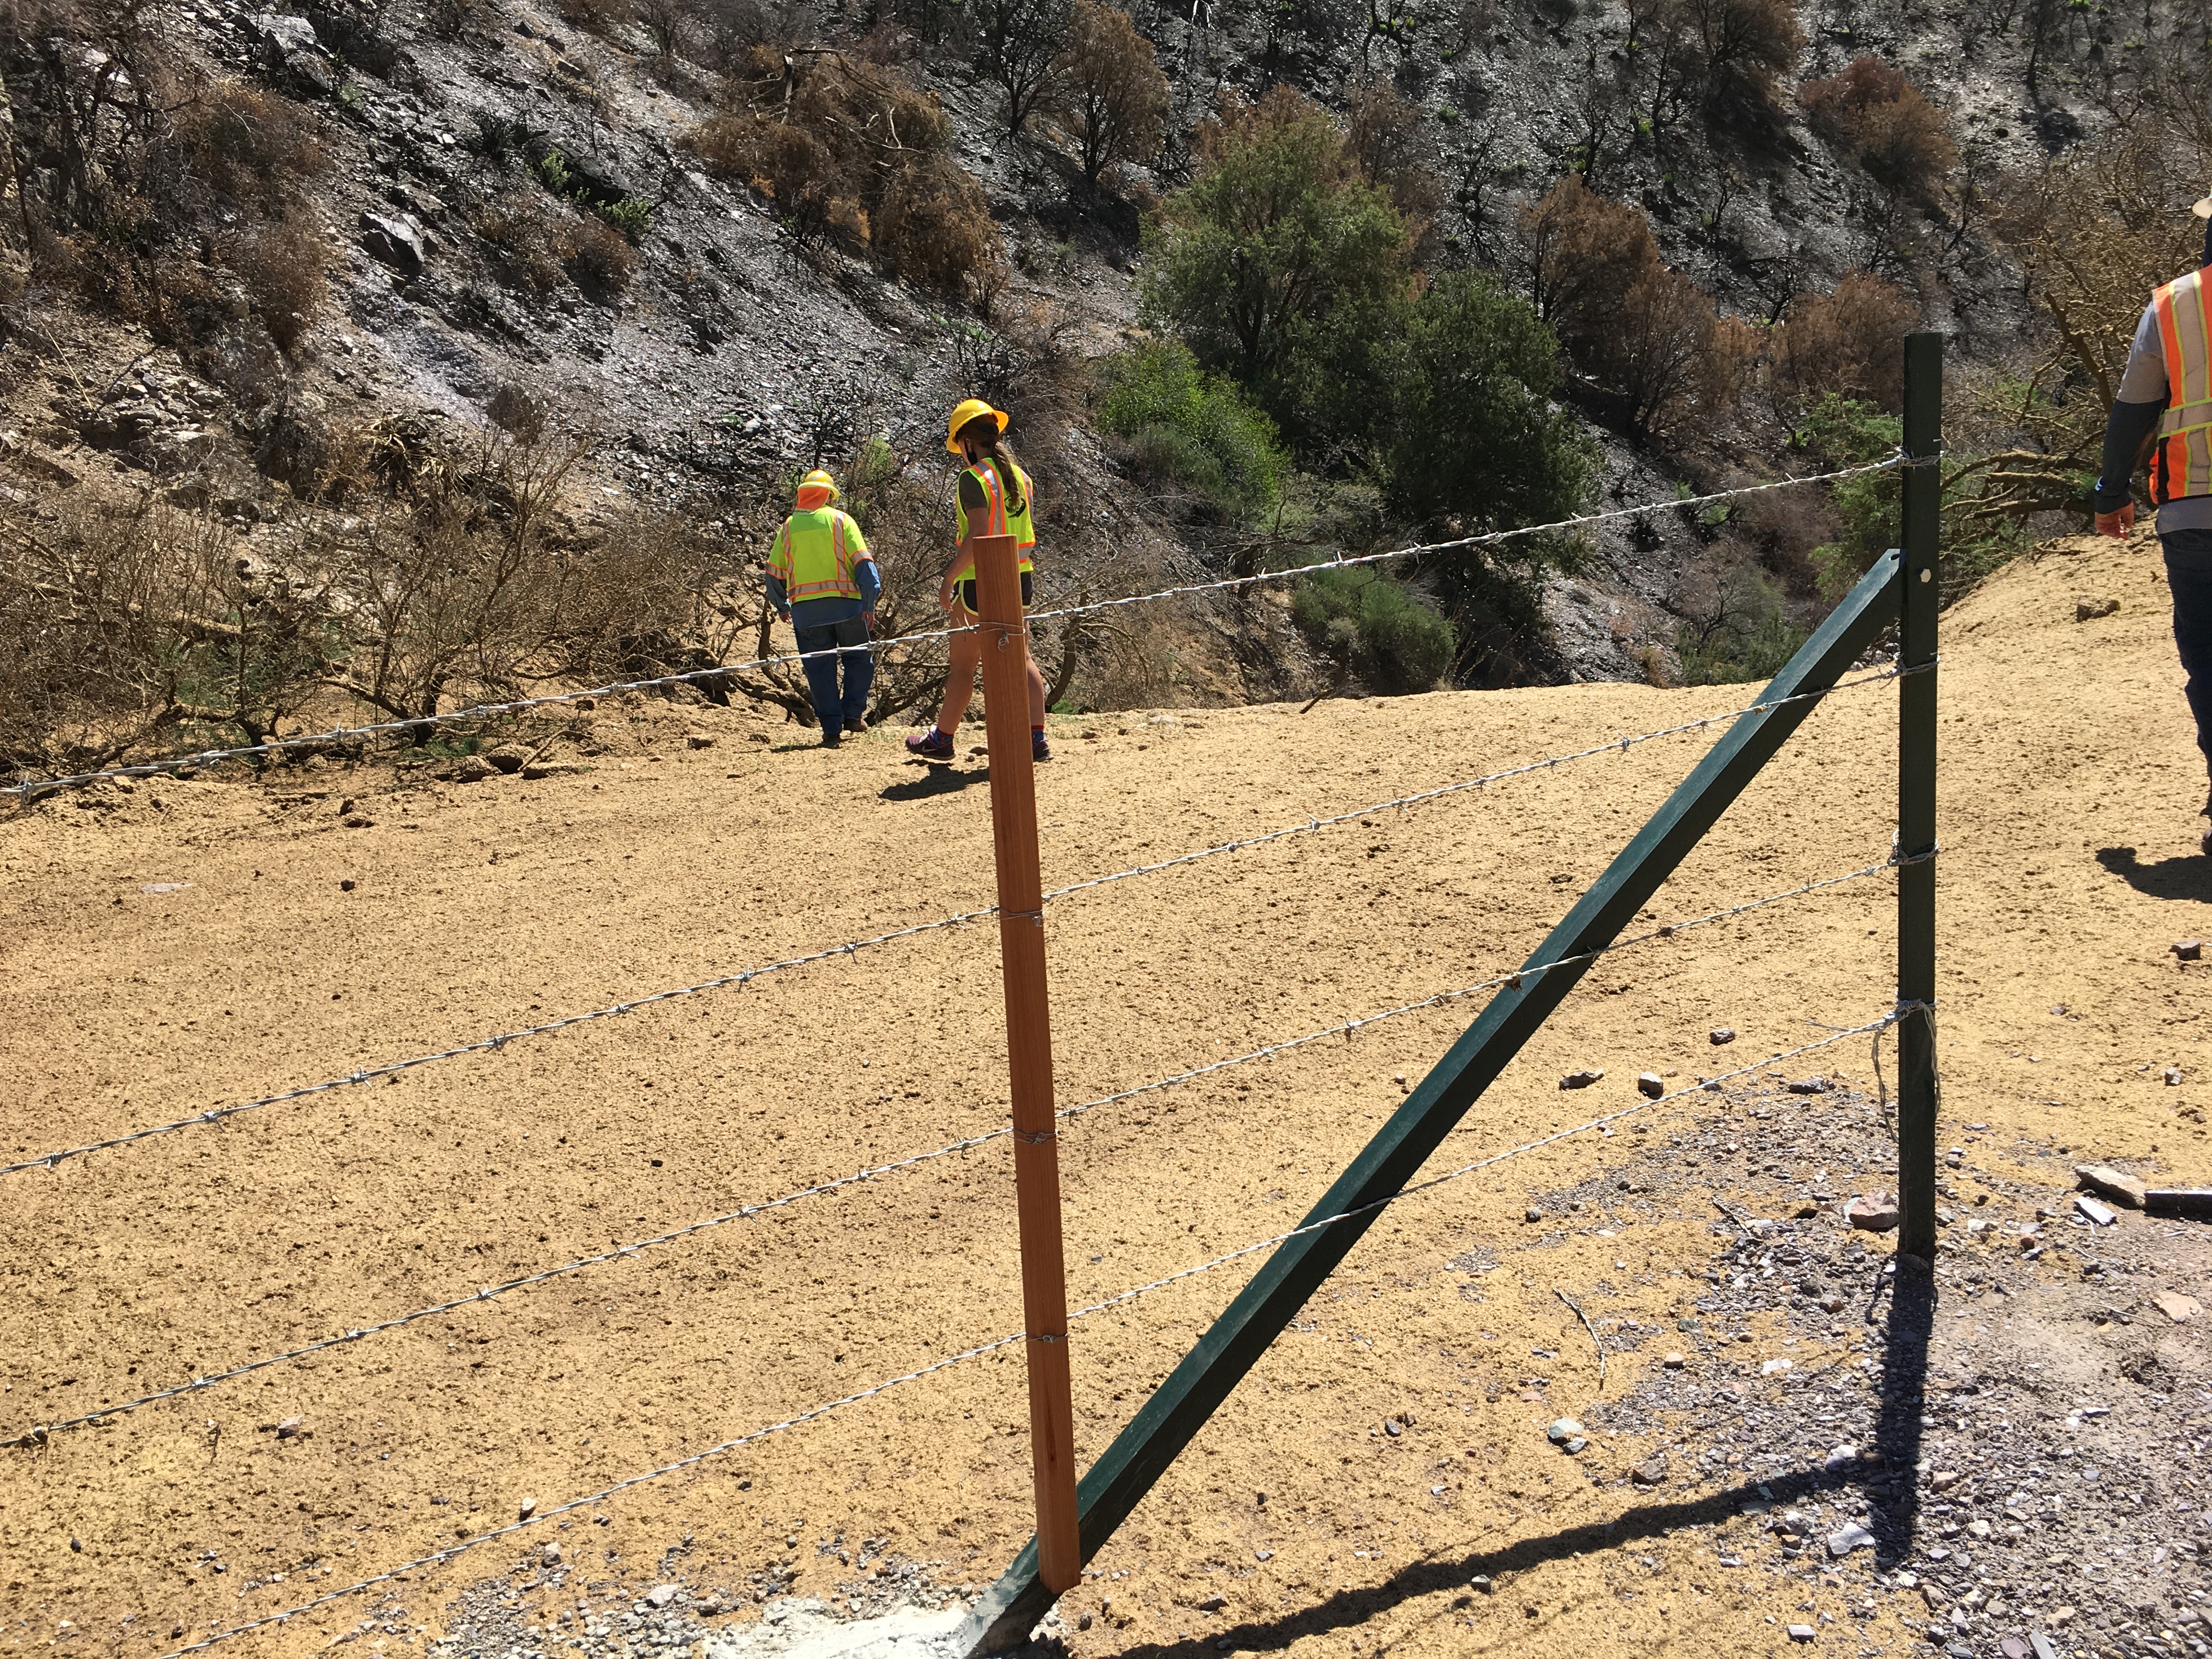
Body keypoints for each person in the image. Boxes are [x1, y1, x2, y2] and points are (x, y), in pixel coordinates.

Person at [2094, 190, 2212, 854]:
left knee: (2211, 660)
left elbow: (2134, 412)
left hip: (2195, 510)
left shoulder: (2173, 306)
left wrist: (2112, 491)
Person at [907, 398, 1051, 764]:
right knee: (1022, 657)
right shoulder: (1021, 477)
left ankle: (942, 739)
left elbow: (979, 535)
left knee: (963, 666)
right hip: (1021, 579)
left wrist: (948, 578)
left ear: (967, 442)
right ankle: (1036, 738)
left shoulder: (973, 478)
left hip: (980, 583)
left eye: (959, 447)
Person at [766, 469, 878, 749]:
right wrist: (870, 603)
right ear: (829, 495)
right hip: (848, 607)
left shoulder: (789, 527)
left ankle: (831, 730)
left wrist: (781, 605)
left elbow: (773, 572)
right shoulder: (842, 520)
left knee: (819, 670)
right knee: (859, 660)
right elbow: (864, 563)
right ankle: (853, 715)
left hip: (807, 613)